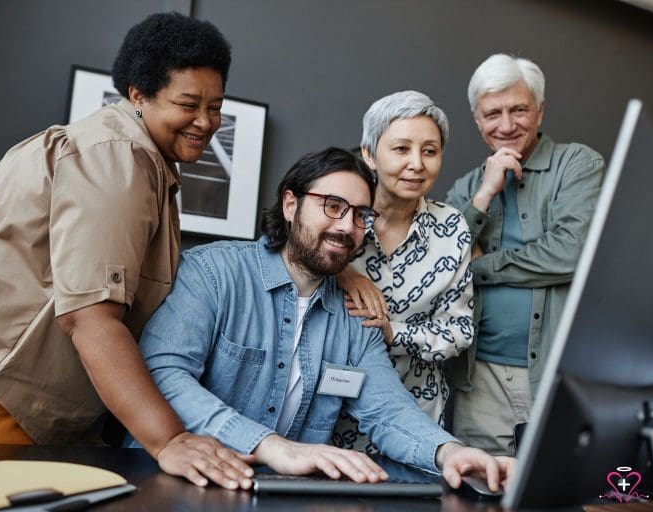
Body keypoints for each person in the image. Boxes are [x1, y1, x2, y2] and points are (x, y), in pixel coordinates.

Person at [0, 12, 254, 489]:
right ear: (138, 95)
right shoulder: (118, 156)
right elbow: (89, 316)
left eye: (216, 106)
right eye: (188, 103)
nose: (206, 121)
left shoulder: (131, 155)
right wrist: (169, 439)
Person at [125, 147, 515, 491]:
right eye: (332, 206)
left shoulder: (355, 315)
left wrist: (449, 453)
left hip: (273, 494)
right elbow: (163, 373)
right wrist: (271, 447)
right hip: (167, 481)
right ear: (291, 205)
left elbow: (387, 410)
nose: (347, 226)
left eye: (361, 215)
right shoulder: (213, 273)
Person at [445, 54, 605, 455]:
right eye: (492, 113)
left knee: (556, 493)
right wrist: (484, 195)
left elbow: (571, 252)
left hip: (555, 374)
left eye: (519, 109)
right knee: (481, 495)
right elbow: (443, 267)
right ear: (477, 121)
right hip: (479, 380)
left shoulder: (577, 164)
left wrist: (480, 267)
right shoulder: (466, 189)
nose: (506, 124)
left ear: (540, 110)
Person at [331, 91, 474, 455]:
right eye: (401, 149)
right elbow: (284, 252)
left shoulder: (451, 227)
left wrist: (395, 332)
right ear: (369, 154)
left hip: (417, 416)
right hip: (330, 416)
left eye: (429, 151)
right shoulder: (339, 213)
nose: (417, 164)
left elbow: (458, 331)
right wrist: (341, 272)